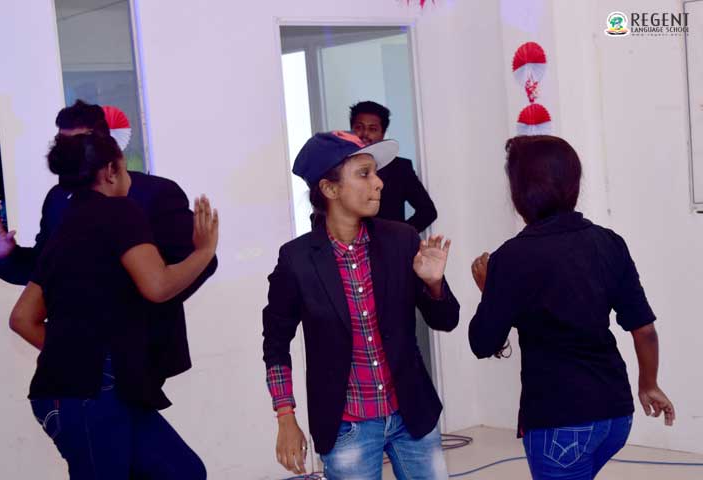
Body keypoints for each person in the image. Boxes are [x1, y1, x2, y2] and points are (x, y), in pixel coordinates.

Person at [9, 132, 218, 479]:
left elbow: (22, 318)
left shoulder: (67, 226)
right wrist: (204, 251)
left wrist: (73, 352)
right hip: (91, 393)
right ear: (110, 171)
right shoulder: (119, 211)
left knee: (184, 472)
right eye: (125, 167)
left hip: (81, 391)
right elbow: (158, 286)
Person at [468, 135, 675, 480]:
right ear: (572, 184)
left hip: (560, 420)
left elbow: (483, 342)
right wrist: (649, 384)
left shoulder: (511, 258)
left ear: (520, 191)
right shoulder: (609, 243)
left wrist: (490, 291)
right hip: (615, 413)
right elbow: (644, 329)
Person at [262, 131, 460, 479]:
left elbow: (446, 320)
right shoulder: (297, 260)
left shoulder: (401, 239)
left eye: (376, 173)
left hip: (412, 415)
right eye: (364, 174)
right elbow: (276, 344)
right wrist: (285, 416)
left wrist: (434, 284)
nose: (378, 183)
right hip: (347, 427)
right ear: (330, 189)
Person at [0, 99, 217, 385]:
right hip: (88, 358)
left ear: (106, 151)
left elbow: (190, 267)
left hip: (136, 350)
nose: (69, 154)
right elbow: (45, 274)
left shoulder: (154, 194)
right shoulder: (60, 200)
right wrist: (7, 257)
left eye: (77, 145)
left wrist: (139, 308)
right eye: (62, 145)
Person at [350, 100, 437, 232]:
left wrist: (400, 237)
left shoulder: (400, 168)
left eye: (372, 129)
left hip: (387, 244)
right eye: (359, 127)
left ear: (383, 134)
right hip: (346, 244)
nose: (365, 134)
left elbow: (427, 212)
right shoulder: (338, 167)